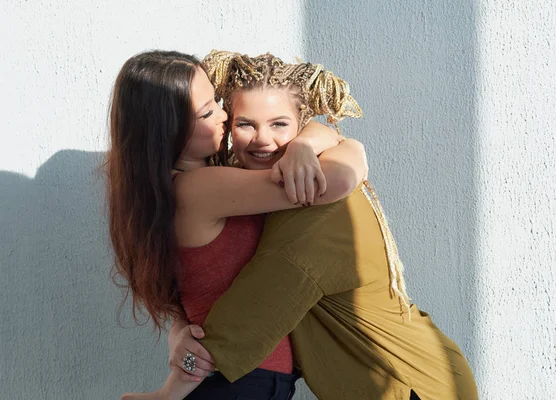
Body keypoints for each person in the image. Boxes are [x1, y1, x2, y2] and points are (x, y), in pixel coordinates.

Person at [165, 51, 480, 399]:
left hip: (411, 381)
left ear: (300, 123)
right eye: (245, 124)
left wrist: (173, 387)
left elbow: (258, 305)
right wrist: (178, 327)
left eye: (280, 124)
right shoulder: (255, 193)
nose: (262, 140)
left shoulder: (315, 201)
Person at [107, 50, 367, 400]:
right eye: (207, 111)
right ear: (167, 128)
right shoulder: (201, 189)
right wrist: (327, 145)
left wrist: (179, 331)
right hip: (241, 383)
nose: (224, 115)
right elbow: (336, 179)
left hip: (236, 379)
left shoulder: (182, 188)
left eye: (216, 101)